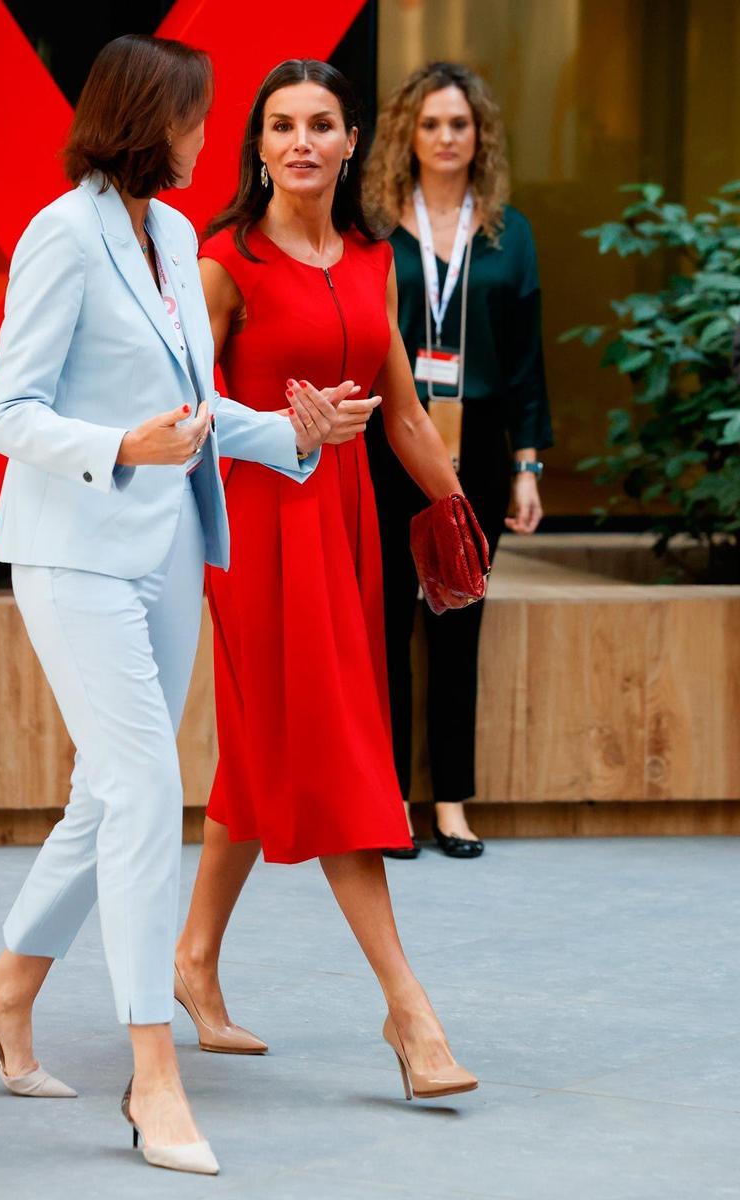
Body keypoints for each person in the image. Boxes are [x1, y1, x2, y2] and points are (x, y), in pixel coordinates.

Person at [0, 35, 340, 1177]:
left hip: (170, 548)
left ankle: (7, 990)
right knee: (148, 791)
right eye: (196, 116)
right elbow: (4, 409)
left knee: (107, 792)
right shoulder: (58, 235)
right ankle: (152, 1074)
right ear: (147, 117)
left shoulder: (172, 234)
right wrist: (116, 443)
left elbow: (196, 403)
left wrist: (292, 436)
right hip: (75, 555)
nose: (206, 136)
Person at [173, 58, 479, 1102]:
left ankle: (194, 963)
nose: (300, 141)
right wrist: (273, 433)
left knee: (266, 753)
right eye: (279, 125)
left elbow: (396, 410)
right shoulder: (223, 264)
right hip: (255, 536)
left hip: (345, 524)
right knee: (341, 751)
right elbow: (186, 417)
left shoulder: (370, 259)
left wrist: (450, 510)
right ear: (255, 147)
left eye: (320, 124)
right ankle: (410, 1015)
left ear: (352, 144)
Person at [363, 62, 553, 860]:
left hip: (474, 450)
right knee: (385, 624)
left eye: (460, 125)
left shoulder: (508, 233)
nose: (446, 137)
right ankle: (389, 805)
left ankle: (450, 803)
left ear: (480, 137)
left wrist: (528, 465)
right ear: (410, 133)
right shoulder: (374, 226)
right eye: (432, 123)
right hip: (388, 445)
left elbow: (526, 362)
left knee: (457, 625)